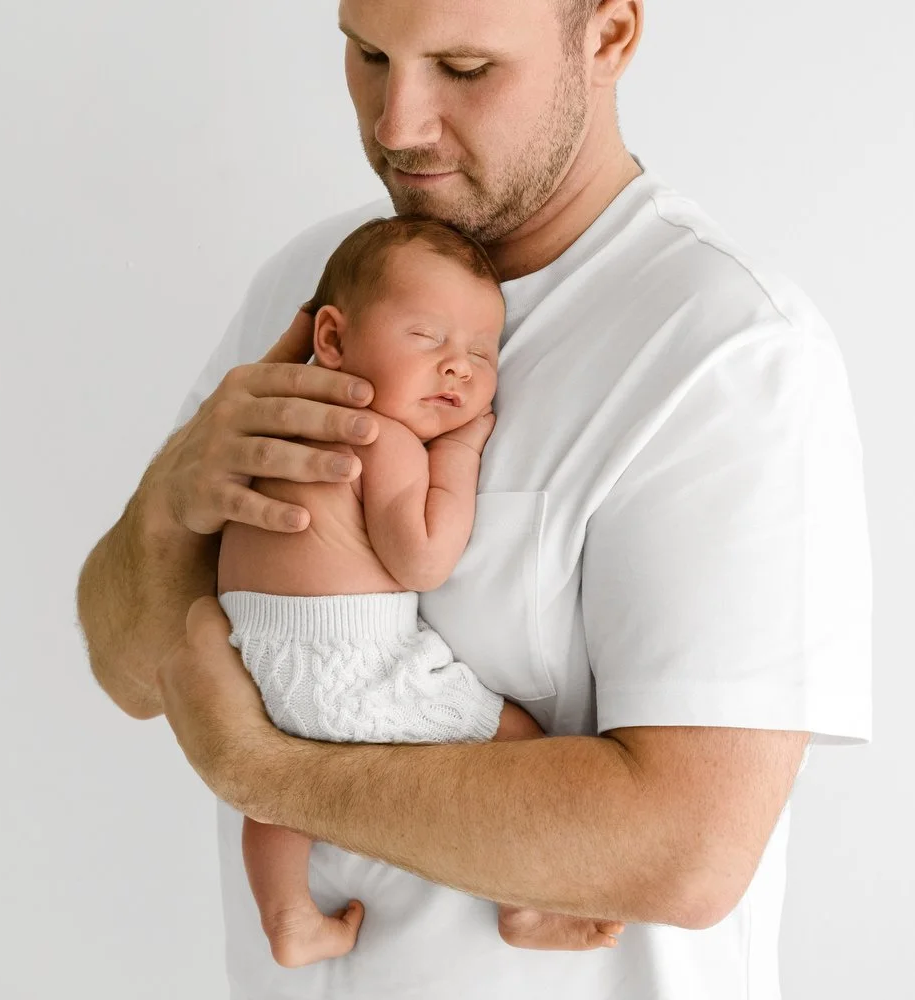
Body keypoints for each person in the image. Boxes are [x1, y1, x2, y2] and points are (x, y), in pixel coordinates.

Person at [76, 1, 872, 997]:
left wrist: (266, 772)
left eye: (462, 67)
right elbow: (128, 670)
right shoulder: (316, 285)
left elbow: (689, 850)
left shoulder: (725, 350)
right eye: (369, 53)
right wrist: (169, 501)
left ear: (609, 37)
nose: (396, 123)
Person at [225, 214, 624, 966]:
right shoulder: (381, 437)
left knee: (274, 787)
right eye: (427, 338)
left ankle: (287, 918)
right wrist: (459, 456)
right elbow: (423, 559)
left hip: (256, 661)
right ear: (333, 339)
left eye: (482, 352)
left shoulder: (268, 426)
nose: (459, 369)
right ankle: (524, 898)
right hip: (351, 665)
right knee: (518, 743)